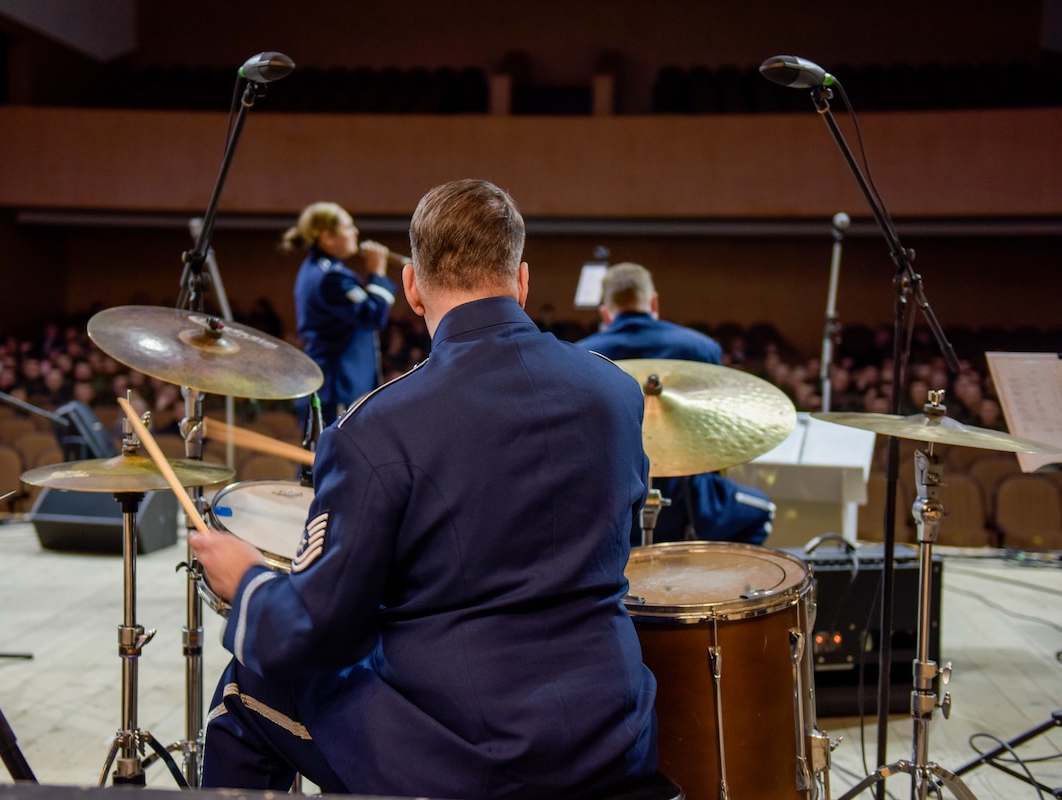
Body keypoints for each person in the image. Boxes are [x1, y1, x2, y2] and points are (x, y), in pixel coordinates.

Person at [191, 180, 659, 800]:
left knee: (250, 681)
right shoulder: (615, 391)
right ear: (522, 279)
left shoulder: (374, 427)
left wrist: (248, 582)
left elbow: (323, 629)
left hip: (473, 753)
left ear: (410, 286)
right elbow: (616, 541)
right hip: (613, 728)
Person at [577, 262, 774, 545]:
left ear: (605, 314)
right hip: (688, 507)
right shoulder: (700, 349)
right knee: (760, 512)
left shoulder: (582, 354)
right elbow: (715, 435)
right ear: (653, 303)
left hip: (611, 510)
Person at [283, 202, 397, 420]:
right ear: (327, 236)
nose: (356, 232)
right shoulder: (332, 277)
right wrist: (378, 274)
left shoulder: (316, 269)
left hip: (330, 387)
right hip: (338, 389)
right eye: (348, 227)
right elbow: (372, 315)